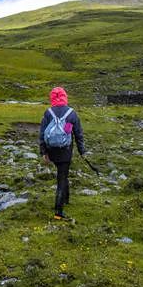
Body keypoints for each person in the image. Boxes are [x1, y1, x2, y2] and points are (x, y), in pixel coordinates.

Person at [39, 86, 86, 220]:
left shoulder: (48, 113)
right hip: (66, 151)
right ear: (65, 97)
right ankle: (58, 212)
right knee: (62, 177)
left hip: (52, 151)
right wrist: (82, 151)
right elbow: (78, 134)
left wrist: (43, 152)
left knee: (62, 175)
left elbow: (42, 134)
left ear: (52, 98)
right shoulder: (71, 113)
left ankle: (66, 199)